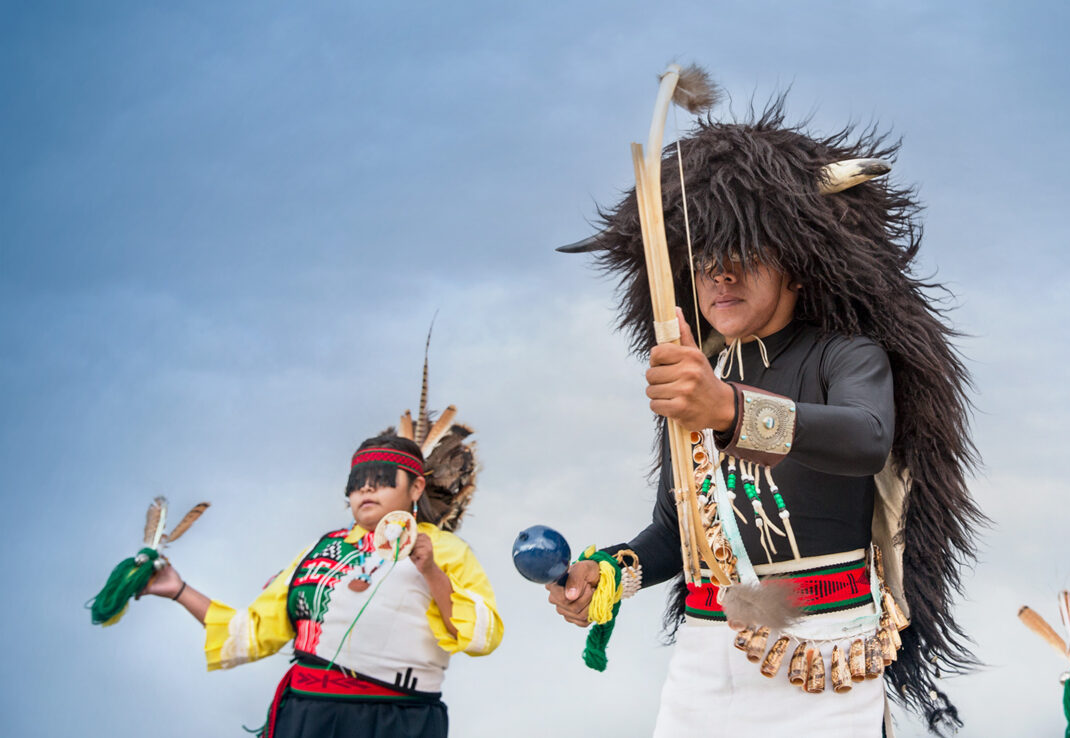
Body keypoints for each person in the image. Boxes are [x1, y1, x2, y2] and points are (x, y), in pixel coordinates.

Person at [548, 96, 982, 736]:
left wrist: (726, 408)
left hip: (827, 656)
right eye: (705, 259)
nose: (720, 275)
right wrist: (610, 573)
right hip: (700, 663)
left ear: (796, 266)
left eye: (744, 251)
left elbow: (867, 439)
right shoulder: (699, 371)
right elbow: (677, 534)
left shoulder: (848, 354)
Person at [143, 432, 502, 738]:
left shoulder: (447, 551)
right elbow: (249, 632)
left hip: (399, 719)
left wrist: (431, 572)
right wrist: (177, 589)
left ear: (416, 486)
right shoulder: (318, 552)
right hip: (305, 716)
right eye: (357, 482)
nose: (366, 489)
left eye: (381, 478)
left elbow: (481, 637)